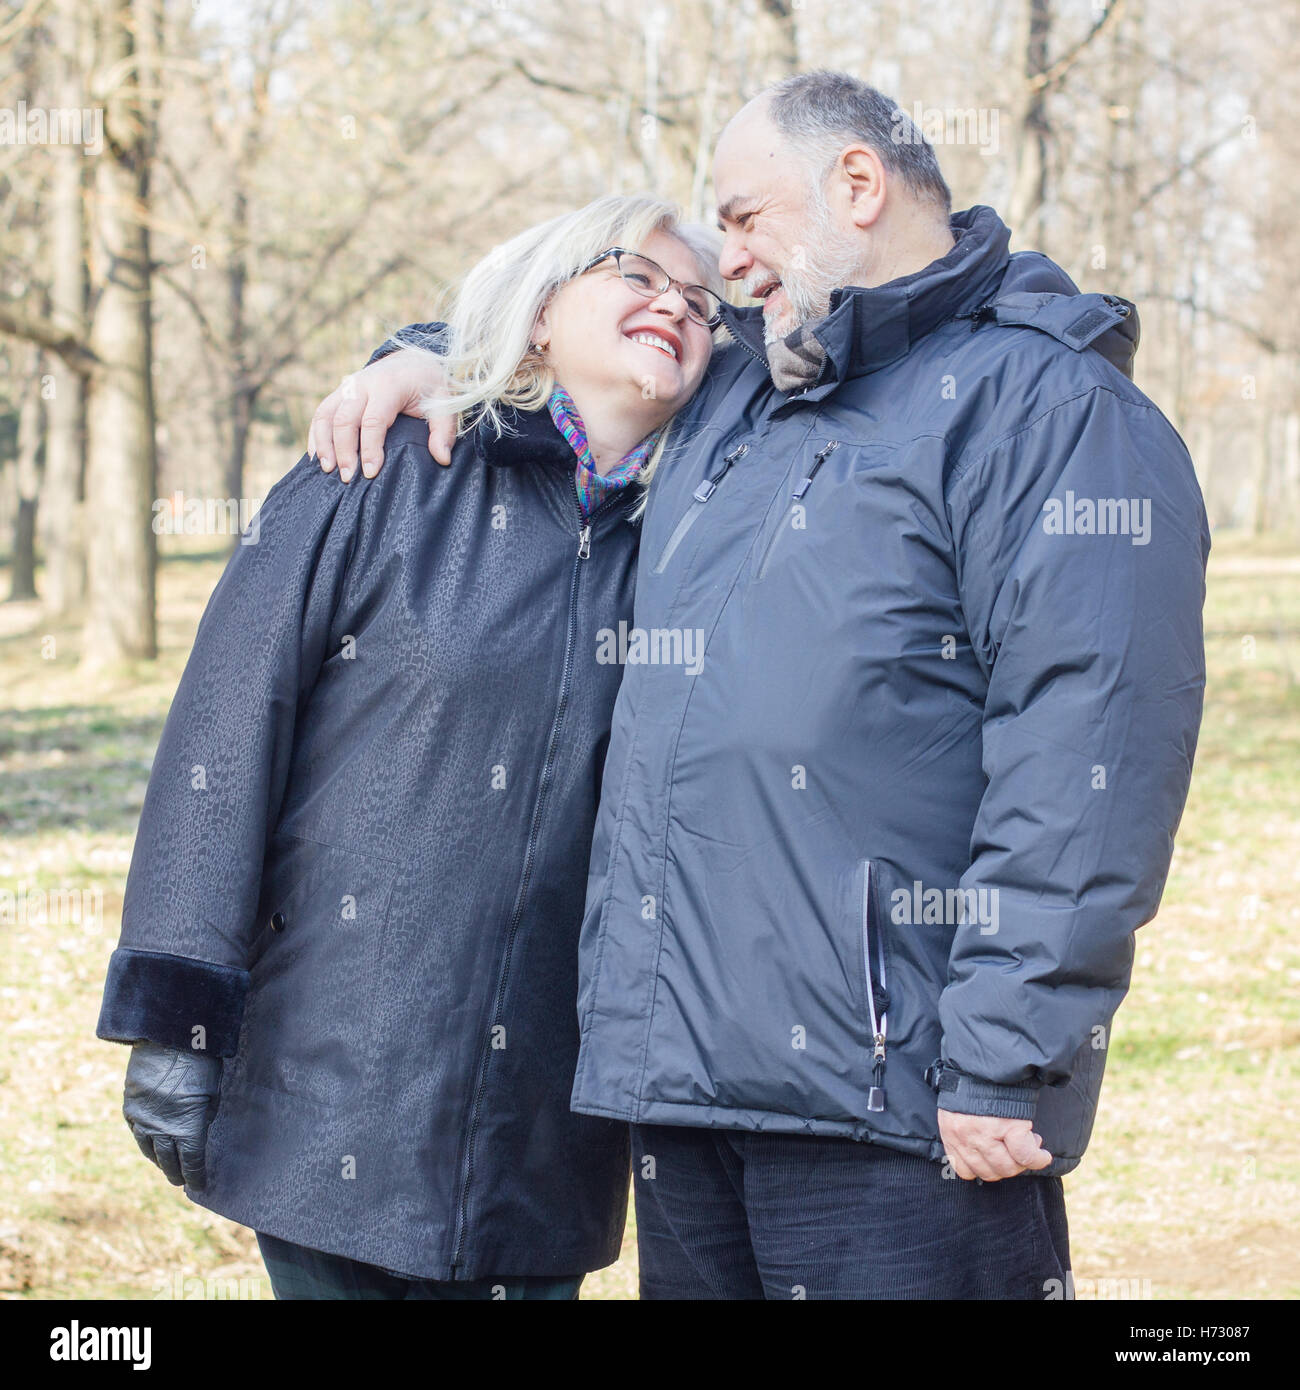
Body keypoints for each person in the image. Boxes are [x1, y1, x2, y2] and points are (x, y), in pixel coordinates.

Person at [314, 71, 1209, 1301]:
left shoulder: (1048, 409)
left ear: (856, 182)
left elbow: (1089, 749)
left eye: (740, 219)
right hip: (679, 1096)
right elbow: (581, 330)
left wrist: (1009, 1057)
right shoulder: (744, 381)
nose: (725, 265)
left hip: (895, 1107)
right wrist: (427, 358)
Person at [94, 194, 722, 1299]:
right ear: (538, 310)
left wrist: (428, 348)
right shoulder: (382, 466)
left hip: (546, 1121)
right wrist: (177, 1017)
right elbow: (226, 732)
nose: (674, 303)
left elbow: (815, 337)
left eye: (701, 301)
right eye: (636, 273)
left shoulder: (696, 535)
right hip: (335, 1088)